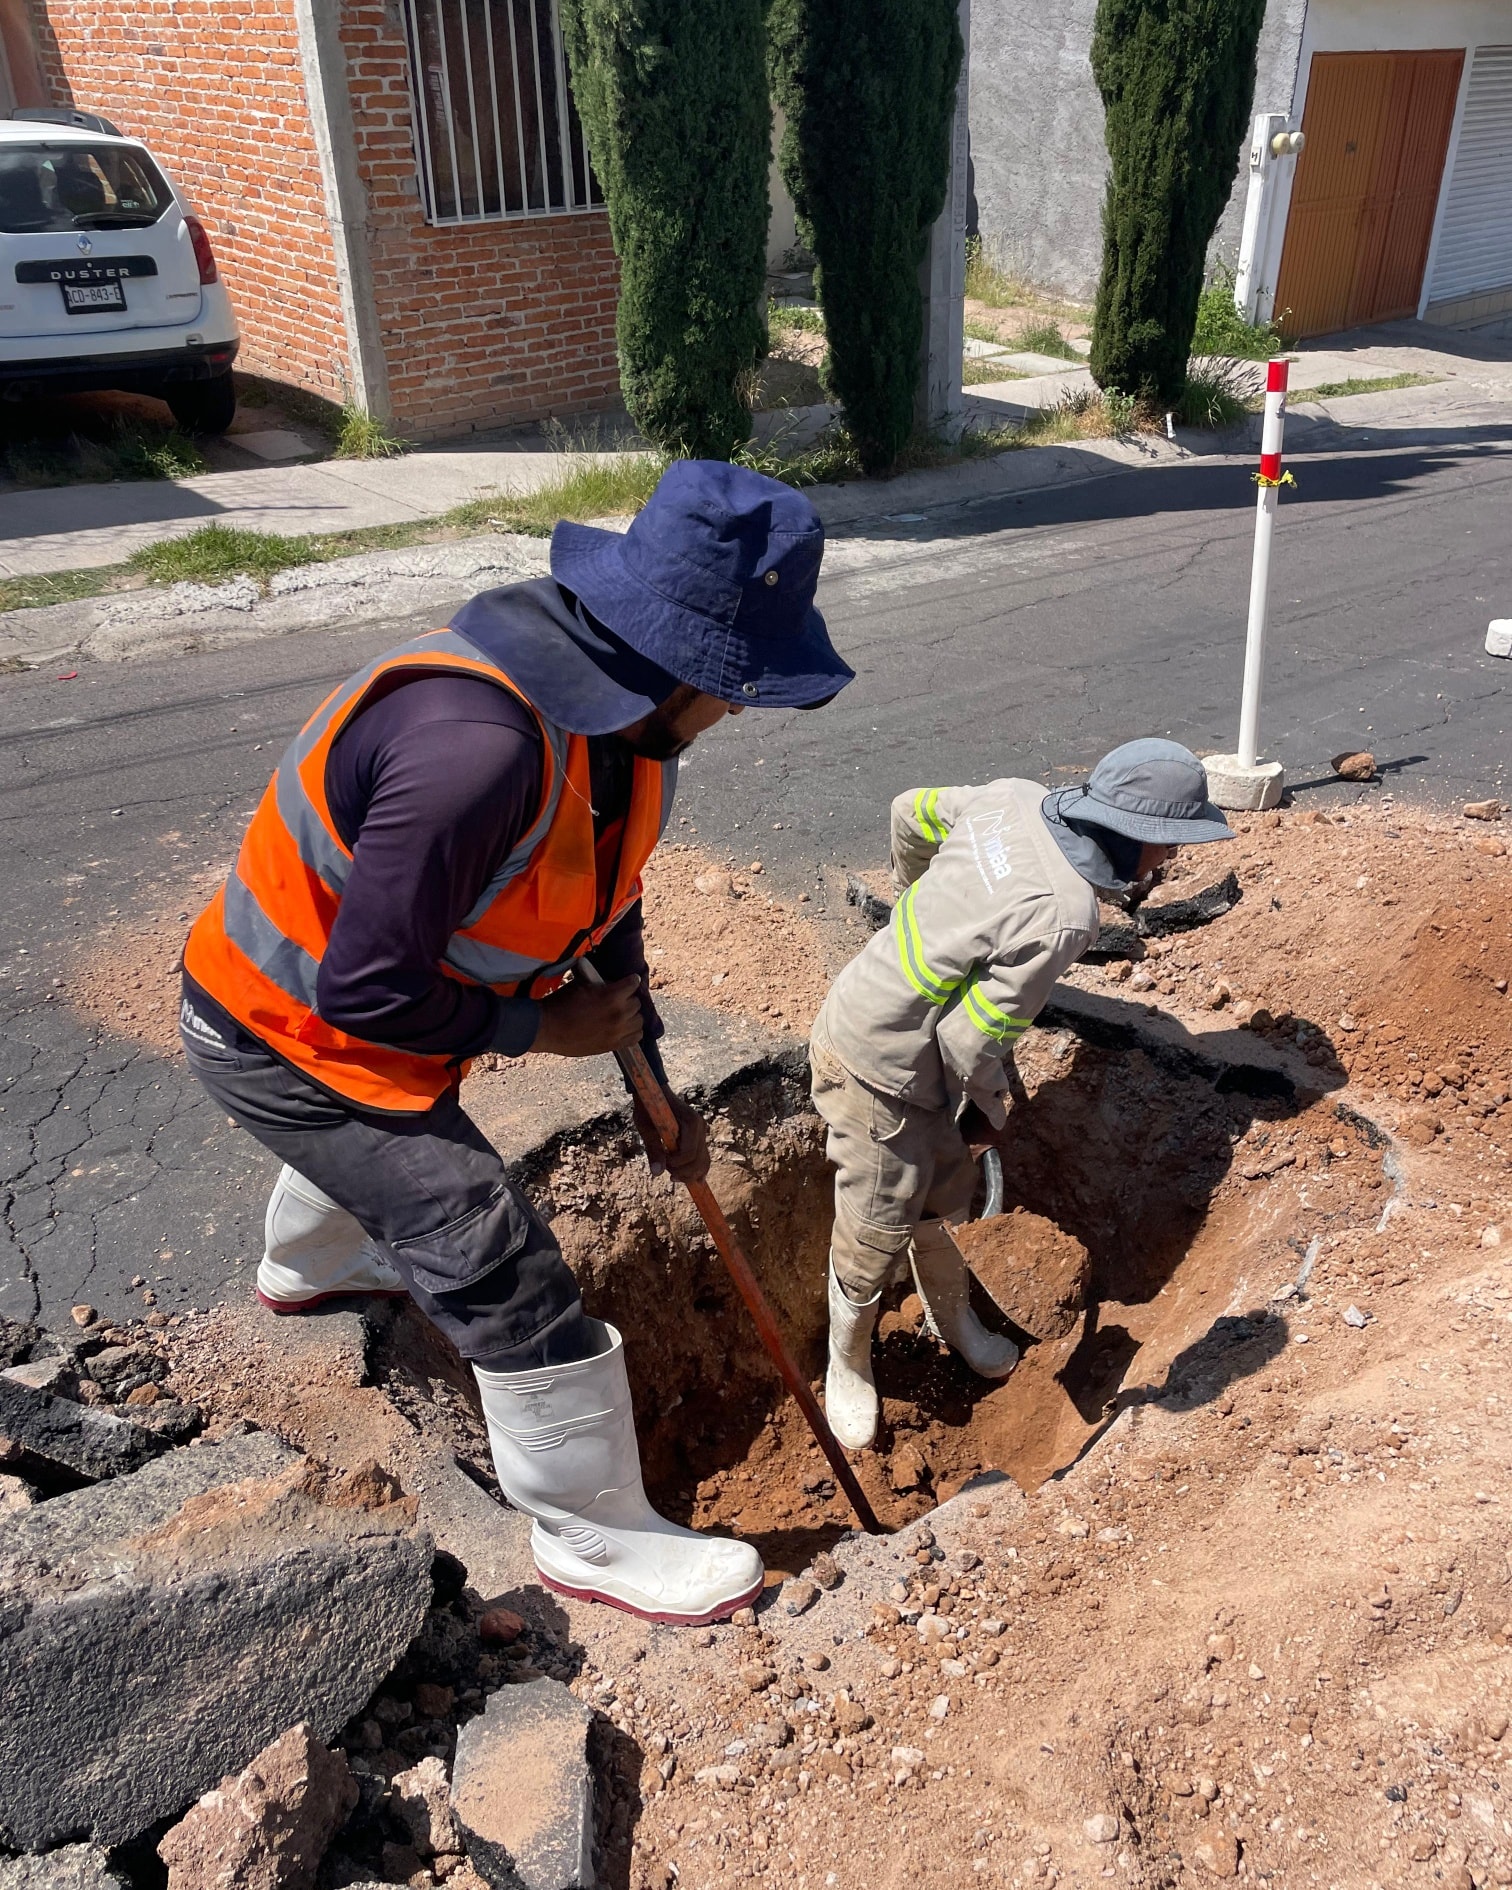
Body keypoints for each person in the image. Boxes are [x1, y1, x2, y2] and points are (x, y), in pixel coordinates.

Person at [178, 459, 853, 1624]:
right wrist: (541, 1029)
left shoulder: (616, 727)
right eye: (736, 683)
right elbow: (363, 992)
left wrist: (644, 1061)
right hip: (277, 1030)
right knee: (493, 1250)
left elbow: (605, 898)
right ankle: (588, 1533)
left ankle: (310, 1268)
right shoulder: (473, 749)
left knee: (391, 1155)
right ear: (676, 666)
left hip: (363, 1028)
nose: (739, 707)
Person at [810, 740, 1234, 1450]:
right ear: (1137, 841)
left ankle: (955, 1320)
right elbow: (967, 1043)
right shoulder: (1065, 914)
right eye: (1167, 847)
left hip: (889, 1022)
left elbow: (907, 814)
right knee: (878, 1218)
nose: (1169, 862)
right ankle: (845, 1360)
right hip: (880, 1062)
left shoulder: (1009, 796)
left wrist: (918, 898)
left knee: (945, 1192)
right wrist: (993, 1107)